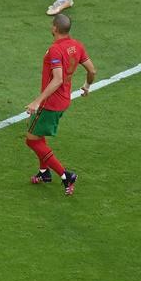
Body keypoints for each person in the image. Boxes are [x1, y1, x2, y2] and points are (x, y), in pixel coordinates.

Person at [25, 14, 96, 196]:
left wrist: (37, 101)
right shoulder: (77, 45)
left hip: (50, 103)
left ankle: (65, 176)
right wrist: (87, 86)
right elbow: (92, 69)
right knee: (39, 136)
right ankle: (44, 173)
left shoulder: (55, 50)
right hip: (64, 100)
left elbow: (57, 79)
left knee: (31, 140)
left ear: (55, 28)